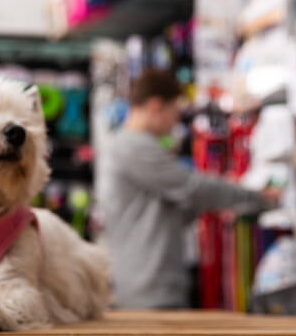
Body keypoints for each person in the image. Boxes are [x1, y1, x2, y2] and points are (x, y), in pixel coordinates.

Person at [96, 70, 280, 309]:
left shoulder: (127, 146)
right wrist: (257, 196)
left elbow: (172, 209)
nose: (175, 123)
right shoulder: (133, 147)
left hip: (150, 284)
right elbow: (192, 188)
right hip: (148, 289)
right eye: (175, 113)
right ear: (155, 106)